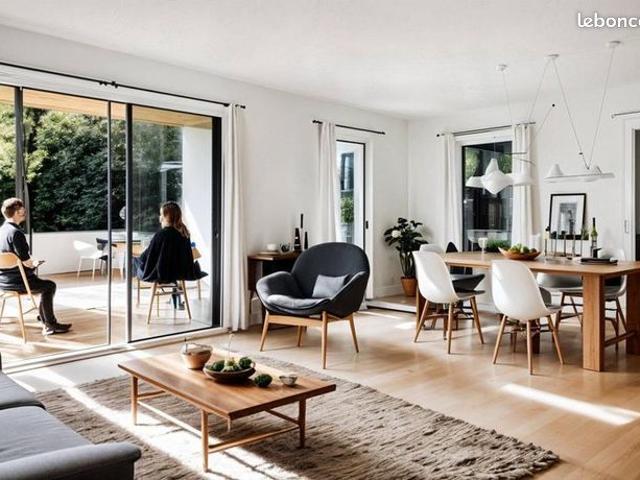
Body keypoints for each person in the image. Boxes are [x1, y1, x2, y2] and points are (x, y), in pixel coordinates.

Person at [0, 198, 71, 335]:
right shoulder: (16, 233)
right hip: (18, 281)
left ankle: (44, 316)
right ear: (17, 212)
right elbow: (26, 262)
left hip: (3, 282)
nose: (24, 212)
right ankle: (49, 324)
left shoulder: (2, 231)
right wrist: (34, 264)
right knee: (49, 286)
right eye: (22, 210)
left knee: (43, 284)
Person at [134, 202, 206, 307]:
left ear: (167, 217)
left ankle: (136, 301)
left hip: (162, 274)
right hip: (179, 272)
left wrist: (138, 258)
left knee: (136, 262)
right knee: (166, 266)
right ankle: (175, 299)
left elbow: (148, 256)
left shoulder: (161, 235)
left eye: (161, 215)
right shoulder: (184, 233)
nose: (160, 218)